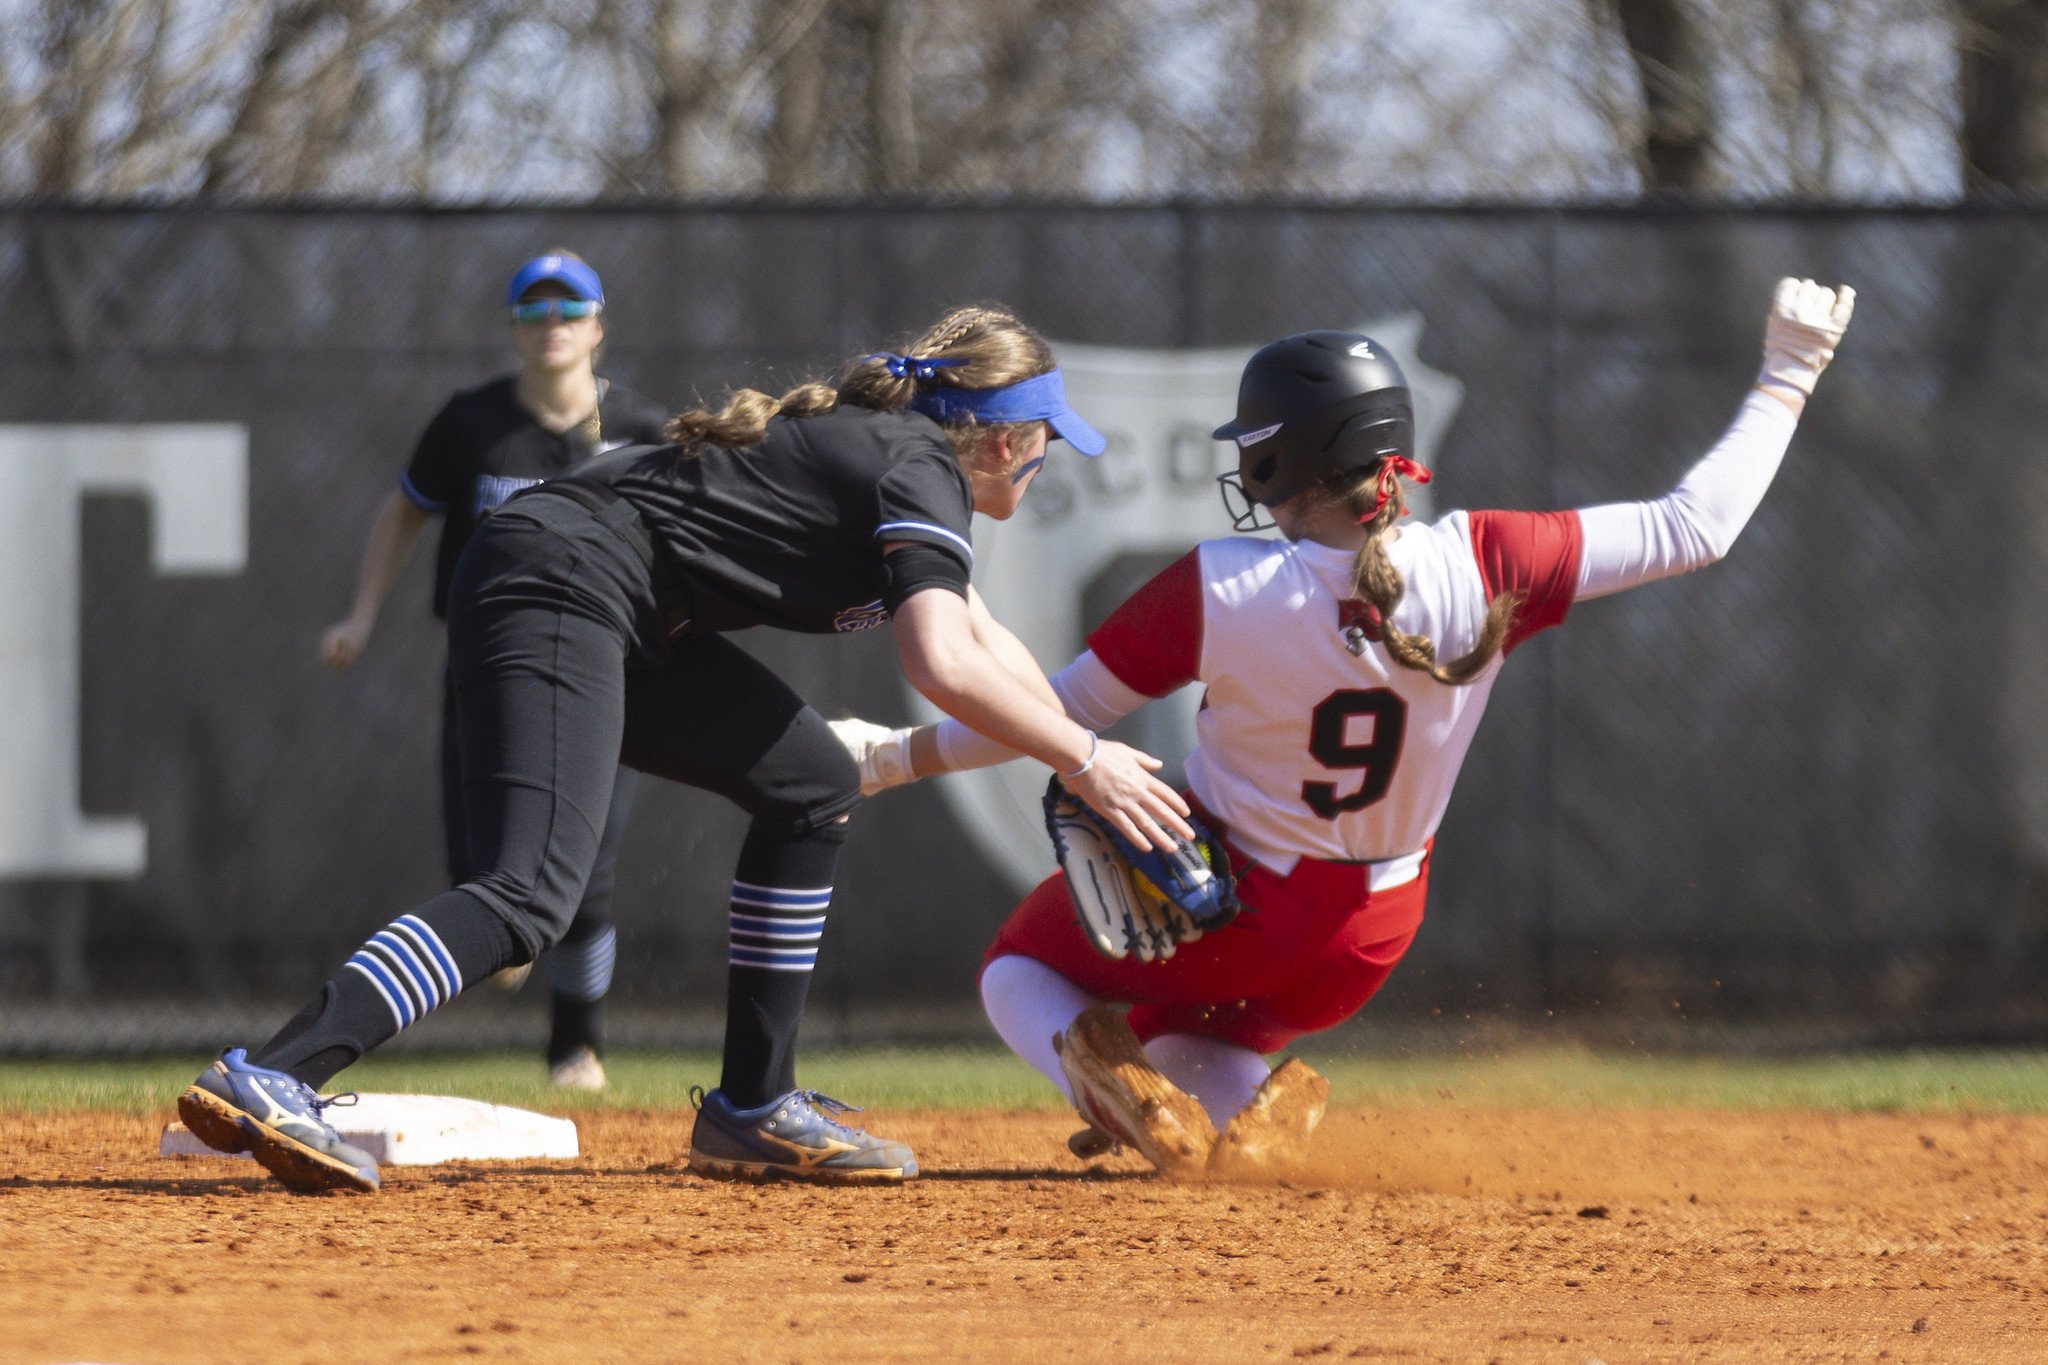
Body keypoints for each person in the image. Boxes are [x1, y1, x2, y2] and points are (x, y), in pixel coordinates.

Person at [836, 278, 1856, 1174]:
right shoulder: (1487, 560)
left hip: (1229, 902)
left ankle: (1112, 1088)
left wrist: (888, 758)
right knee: (1188, 1039)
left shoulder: (1221, 586)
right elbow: (1695, 526)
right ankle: (1236, 1108)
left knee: (1016, 972)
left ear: (1285, 461)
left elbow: (1040, 719)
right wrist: (1787, 372)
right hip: (1371, 934)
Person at [180, 303, 1194, 1193]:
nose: (1046, 456)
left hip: (614, 603)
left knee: (810, 785)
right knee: (529, 893)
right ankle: (275, 1071)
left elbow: (986, 648)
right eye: (1045, 439)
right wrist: (1079, 761)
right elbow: (939, 662)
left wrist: (1088, 753)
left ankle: (750, 1109)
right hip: (560, 578)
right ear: (1004, 438)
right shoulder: (917, 462)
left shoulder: (899, 456)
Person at [318, 251, 671, 1091]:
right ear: (514, 328)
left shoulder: (643, 430)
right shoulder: (471, 423)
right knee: (484, 871)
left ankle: (575, 1046)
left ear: (598, 325)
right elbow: (403, 512)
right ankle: (510, 929)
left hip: (608, 674)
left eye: (569, 309)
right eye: (533, 311)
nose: (552, 325)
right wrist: (361, 614)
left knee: (589, 870)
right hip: (485, 670)